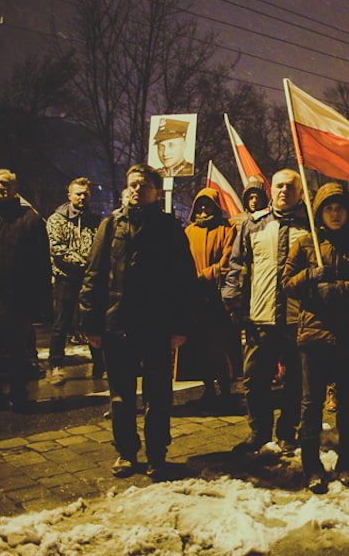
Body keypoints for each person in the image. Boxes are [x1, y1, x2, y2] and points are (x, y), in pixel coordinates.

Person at [79, 164, 198, 478]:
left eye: (143, 185)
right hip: (116, 325)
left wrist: (180, 328)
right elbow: (94, 275)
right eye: (132, 184)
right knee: (120, 397)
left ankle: (157, 455)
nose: (136, 190)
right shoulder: (111, 225)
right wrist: (91, 324)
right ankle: (126, 453)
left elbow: (185, 281)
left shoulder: (170, 229)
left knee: (158, 397)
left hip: (157, 327)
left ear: (156, 191)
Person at [283, 183, 349, 492]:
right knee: (311, 404)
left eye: (340, 208)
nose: (335, 213)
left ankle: (346, 463)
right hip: (314, 335)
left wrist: (339, 289)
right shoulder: (304, 244)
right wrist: (311, 277)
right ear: (319, 212)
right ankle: (311, 467)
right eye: (328, 208)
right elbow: (287, 284)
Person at [222, 169, 307, 453]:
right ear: (272, 189)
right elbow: (237, 264)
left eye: (291, 187)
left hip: (298, 318)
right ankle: (258, 432)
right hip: (261, 316)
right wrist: (232, 297)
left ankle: (288, 432)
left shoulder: (311, 227)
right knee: (255, 378)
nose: (285, 191)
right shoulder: (253, 225)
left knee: (296, 380)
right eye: (280, 186)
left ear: (300, 191)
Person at [0, 170, 51, 412]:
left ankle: (18, 393)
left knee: (16, 350)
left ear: (15, 188)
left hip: (17, 301)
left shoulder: (30, 220)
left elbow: (41, 264)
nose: (0, 186)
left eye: (5, 183)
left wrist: (41, 303)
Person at [180, 188, 238, 406]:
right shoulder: (189, 232)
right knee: (200, 345)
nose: (204, 209)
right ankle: (208, 388)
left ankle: (226, 388)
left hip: (217, 297)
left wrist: (206, 275)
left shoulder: (227, 229)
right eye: (200, 205)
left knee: (219, 345)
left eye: (208, 204)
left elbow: (228, 259)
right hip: (195, 297)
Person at [45, 177, 104, 384]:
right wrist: (86, 264)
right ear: (69, 195)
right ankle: (56, 365)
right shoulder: (56, 220)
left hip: (90, 280)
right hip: (65, 279)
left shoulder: (97, 221)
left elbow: (101, 248)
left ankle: (100, 365)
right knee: (61, 323)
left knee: (93, 321)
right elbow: (57, 249)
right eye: (78, 193)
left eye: (85, 193)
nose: (82, 197)